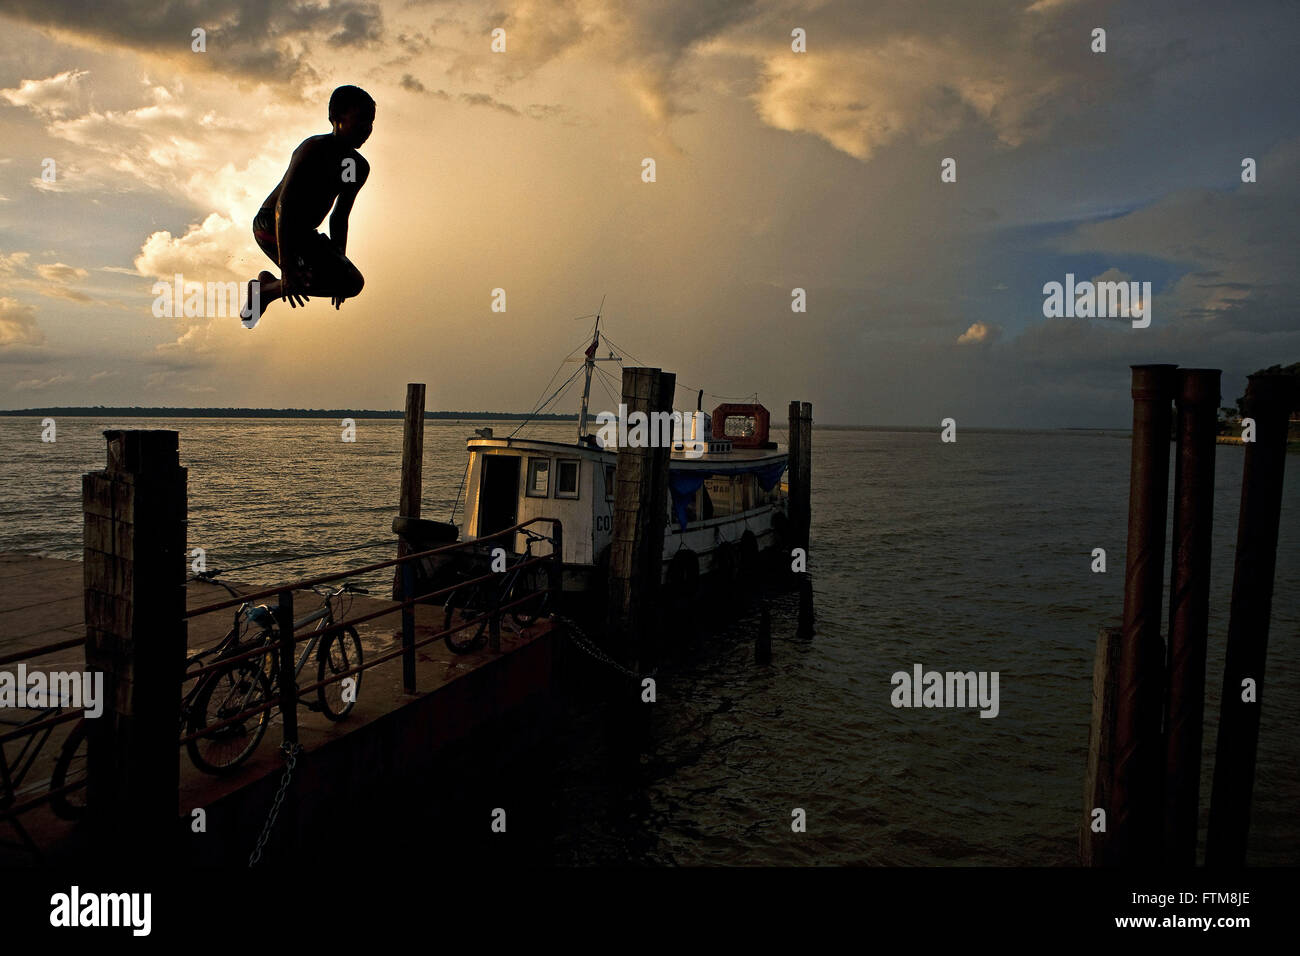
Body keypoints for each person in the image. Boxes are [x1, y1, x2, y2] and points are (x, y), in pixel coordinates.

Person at [241, 85, 374, 328]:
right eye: (361, 120)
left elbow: (339, 217)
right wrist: (288, 266)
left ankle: (268, 289)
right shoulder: (314, 149)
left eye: (371, 123)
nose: (367, 129)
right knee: (301, 276)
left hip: (305, 234)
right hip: (272, 224)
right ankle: (268, 290)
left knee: (352, 283)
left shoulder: (357, 168)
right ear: (336, 118)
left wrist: (340, 263)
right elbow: (284, 206)